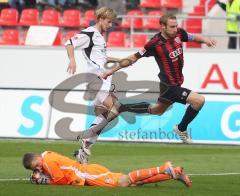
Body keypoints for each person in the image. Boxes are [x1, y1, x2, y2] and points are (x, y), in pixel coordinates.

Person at [101, 14, 217, 144]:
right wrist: (111, 71)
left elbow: (193, 37)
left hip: (173, 84)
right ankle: (181, 128)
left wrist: (206, 40)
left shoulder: (179, 34)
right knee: (199, 101)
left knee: (157, 110)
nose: (175, 29)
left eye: (176, 26)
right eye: (172, 27)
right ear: (162, 27)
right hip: (170, 86)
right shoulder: (154, 43)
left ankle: (121, 107)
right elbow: (133, 58)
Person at [65, 7, 149, 164]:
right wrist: (72, 59)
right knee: (114, 110)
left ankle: (84, 150)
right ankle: (85, 138)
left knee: (103, 115)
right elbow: (69, 43)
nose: (111, 25)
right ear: (101, 18)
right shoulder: (89, 33)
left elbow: (101, 58)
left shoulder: (100, 37)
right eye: (109, 21)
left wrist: (119, 60)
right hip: (96, 79)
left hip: (104, 80)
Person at [22, 151, 191, 187]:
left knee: (124, 181)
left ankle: (163, 167)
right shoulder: (47, 157)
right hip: (88, 172)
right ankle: (174, 173)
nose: (38, 168)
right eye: (35, 168)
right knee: (133, 184)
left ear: (37, 158)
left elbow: (60, 179)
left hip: (87, 174)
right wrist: (43, 175)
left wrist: (45, 182)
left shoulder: (47, 162)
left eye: (36, 165)